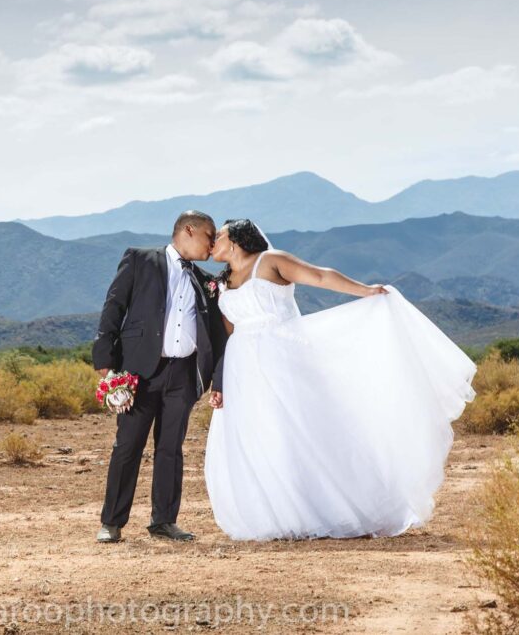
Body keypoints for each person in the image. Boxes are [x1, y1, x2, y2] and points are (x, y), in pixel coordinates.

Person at [204, 218, 477, 541]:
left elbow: (320, 275)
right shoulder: (223, 283)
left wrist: (365, 291)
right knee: (258, 437)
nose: (213, 241)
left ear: (235, 239)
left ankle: (319, 508)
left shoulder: (271, 261)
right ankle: (271, 514)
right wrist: (220, 381)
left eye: (218, 235)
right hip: (243, 368)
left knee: (296, 432)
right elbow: (229, 334)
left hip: (282, 360)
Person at [92, 210, 228, 543]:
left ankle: (164, 521)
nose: (212, 245)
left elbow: (218, 335)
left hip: (183, 375)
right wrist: (106, 364)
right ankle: (112, 522)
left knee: (171, 449)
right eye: (209, 237)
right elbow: (113, 308)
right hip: (140, 372)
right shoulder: (140, 260)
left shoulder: (205, 281)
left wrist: (217, 379)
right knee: (128, 446)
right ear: (189, 230)